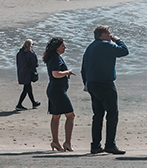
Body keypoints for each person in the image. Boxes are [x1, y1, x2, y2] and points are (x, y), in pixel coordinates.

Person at [81, 25, 129, 155]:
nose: (110, 35)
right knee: (112, 113)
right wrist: (118, 40)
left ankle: (95, 145)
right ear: (103, 35)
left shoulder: (90, 47)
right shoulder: (105, 45)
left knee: (98, 115)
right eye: (108, 33)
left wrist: (87, 84)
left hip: (92, 83)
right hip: (105, 83)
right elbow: (124, 51)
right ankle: (110, 144)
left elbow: (83, 67)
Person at [44, 37, 74, 151]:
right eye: (63, 45)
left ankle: (55, 142)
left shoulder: (52, 57)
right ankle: (67, 142)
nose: (64, 47)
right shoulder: (56, 58)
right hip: (58, 91)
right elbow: (55, 74)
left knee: (56, 116)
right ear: (57, 47)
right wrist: (68, 72)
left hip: (53, 89)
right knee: (70, 116)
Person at [15, 40, 40, 110]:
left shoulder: (19, 53)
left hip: (21, 72)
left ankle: (33, 103)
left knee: (28, 87)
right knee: (26, 88)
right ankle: (19, 105)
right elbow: (36, 64)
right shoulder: (31, 54)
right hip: (28, 73)